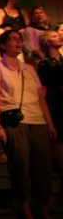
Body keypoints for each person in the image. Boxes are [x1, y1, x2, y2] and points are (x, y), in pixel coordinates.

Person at [0, 30, 58, 219]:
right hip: (14, 122)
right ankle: (25, 211)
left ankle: (42, 209)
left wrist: (50, 123)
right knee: (20, 166)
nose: (18, 42)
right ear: (3, 45)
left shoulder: (29, 69)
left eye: (19, 39)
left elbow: (40, 98)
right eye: (13, 39)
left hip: (37, 121)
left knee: (42, 167)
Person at [36, 30, 63, 190]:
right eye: (54, 36)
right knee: (60, 138)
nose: (59, 37)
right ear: (46, 42)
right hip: (56, 102)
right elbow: (51, 84)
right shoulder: (45, 63)